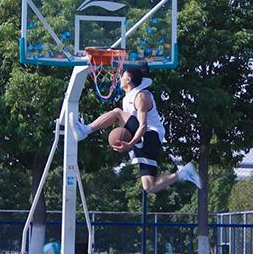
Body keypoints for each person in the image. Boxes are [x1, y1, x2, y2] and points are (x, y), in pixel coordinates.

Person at [75, 62, 201, 192]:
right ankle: (184, 173)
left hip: (149, 135)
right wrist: (144, 68)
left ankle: (85, 130)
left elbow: (143, 126)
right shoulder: (131, 94)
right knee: (149, 186)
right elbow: (143, 79)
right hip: (149, 143)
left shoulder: (141, 97)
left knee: (117, 113)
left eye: (122, 76)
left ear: (129, 79)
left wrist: (130, 144)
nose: (120, 78)